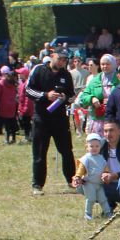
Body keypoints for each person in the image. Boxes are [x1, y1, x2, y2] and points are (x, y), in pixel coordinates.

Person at [26, 47, 77, 193]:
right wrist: (45, 95)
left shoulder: (66, 75)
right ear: (52, 56)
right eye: (59, 58)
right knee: (40, 152)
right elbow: (28, 90)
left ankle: (71, 181)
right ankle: (37, 185)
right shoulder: (39, 70)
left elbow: (71, 95)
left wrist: (65, 98)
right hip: (41, 118)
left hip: (60, 119)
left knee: (67, 151)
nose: (61, 62)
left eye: (64, 60)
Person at [78, 133, 110, 221]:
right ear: (87, 147)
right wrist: (78, 176)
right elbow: (81, 168)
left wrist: (106, 173)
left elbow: (105, 168)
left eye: (97, 146)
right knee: (91, 199)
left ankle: (108, 212)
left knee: (103, 199)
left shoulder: (101, 158)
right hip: (89, 183)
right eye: (91, 146)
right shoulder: (86, 158)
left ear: (100, 147)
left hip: (99, 183)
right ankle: (88, 214)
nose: (94, 148)